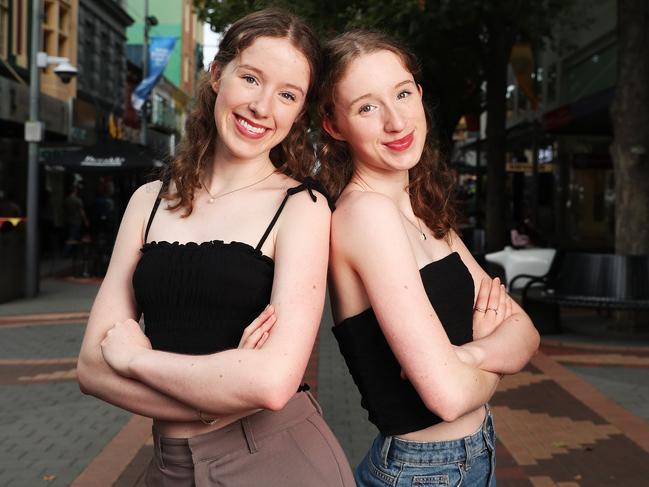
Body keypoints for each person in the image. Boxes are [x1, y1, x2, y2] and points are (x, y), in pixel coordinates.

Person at [77, 9, 354, 486]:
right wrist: (221, 392)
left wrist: (135, 359)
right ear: (216, 75)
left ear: (299, 112)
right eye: (251, 78)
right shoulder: (147, 201)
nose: (262, 107)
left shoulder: (302, 207)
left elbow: (271, 384)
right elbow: (91, 368)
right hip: (169, 464)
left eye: (287, 95)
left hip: (274, 459)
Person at [317, 30, 540, 486]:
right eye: (367, 107)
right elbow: (450, 397)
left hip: (468, 458)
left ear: (419, 94)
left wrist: (469, 353)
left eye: (402, 93)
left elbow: (528, 333)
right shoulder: (365, 214)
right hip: (426, 471)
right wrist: (492, 359)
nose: (396, 122)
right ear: (334, 125)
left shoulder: (418, 204)